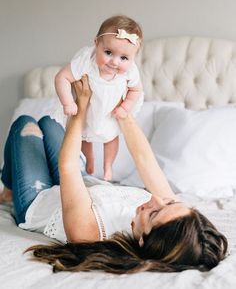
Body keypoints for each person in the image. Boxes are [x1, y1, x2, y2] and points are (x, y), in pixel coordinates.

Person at [0, 76, 227, 274]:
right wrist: (122, 111)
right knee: (49, 123)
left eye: (154, 213)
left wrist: (81, 105)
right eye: (167, 202)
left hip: (40, 201)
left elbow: (67, 166)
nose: (154, 199)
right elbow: (145, 160)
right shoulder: (172, 218)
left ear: (142, 239)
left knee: (25, 123)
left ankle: (9, 190)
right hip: (79, 188)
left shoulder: (88, 234)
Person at [54, 15, 144, 181]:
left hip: (110, 112)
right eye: (108, 52)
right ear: (96, 44)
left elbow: (136, 90)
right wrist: (67, 103)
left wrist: (125, 107)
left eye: (124, 58)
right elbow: (62, 78)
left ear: (133, 57)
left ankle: (108, 166)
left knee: (111, 138)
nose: (115, 62)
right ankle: (89, 159)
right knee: (83, 137)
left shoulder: (131, 71)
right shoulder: (86, 62)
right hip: (86, 111)